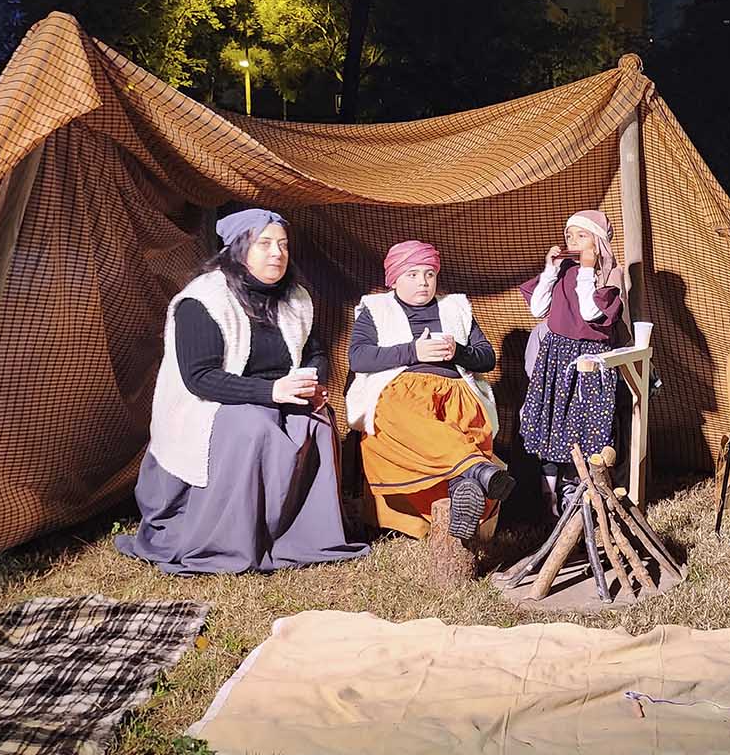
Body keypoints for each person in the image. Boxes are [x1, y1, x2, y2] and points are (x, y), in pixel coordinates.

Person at [116, 208, 369, 574]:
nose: (277, 253)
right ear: (238, 247)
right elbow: (200, 378)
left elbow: (313, 351)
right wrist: (272, 392)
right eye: (264, 244)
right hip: (214, 403)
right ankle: (231, 540)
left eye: (283, 244)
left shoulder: (295, 298)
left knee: (316, 420)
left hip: (277, 393)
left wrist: (312, 382)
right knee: (254, 426)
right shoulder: (203, 300)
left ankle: (294, 537)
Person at [346, 240, 514, 540]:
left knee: (464, 426)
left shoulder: (455, 307)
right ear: (394, 278)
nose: (423, 282)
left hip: (456, 391)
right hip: (402, 391)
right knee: (405, 421)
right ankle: (476, 471)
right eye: (412, 274)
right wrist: (414, 351)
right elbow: (359, 357)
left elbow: (486, 357)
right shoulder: (376, 308)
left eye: (429, 274)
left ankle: (465, 485)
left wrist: (458, 351)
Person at [519, 209, 628, 516]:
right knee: (554, 420)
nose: (573, 241)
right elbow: (538, 309)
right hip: (557, 355)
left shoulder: (608, 274)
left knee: (585, 425)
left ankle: (581, 491)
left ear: (598, 241)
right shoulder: (565, 269)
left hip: (589, 359)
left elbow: (591, 313)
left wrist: (587, 269)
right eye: (569, 235)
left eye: (582, 235)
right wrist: (549, 270)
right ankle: (550, 497)